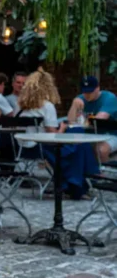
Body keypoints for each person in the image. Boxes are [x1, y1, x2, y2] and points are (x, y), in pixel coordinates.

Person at [19, 69, 99, 199]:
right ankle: (80, 183)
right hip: (42, 148)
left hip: (24, 148)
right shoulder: (46, 106)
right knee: (78, 142)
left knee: (77, 142)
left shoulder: (22, 107)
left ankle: (75, 184)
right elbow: (53, 136)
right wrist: (62, 127)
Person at [67, 76, 117, 163]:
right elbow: (70, 121)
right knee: (72, 148)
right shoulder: (79, 99)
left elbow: (98, 120)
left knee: (100, 150)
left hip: (110, 133)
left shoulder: (109, 98)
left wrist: (80, 120)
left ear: (98, 88)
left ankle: (103, 169)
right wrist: (74, 106)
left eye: (90, 91)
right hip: (89, 134)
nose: (87, 95)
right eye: (85, 92)